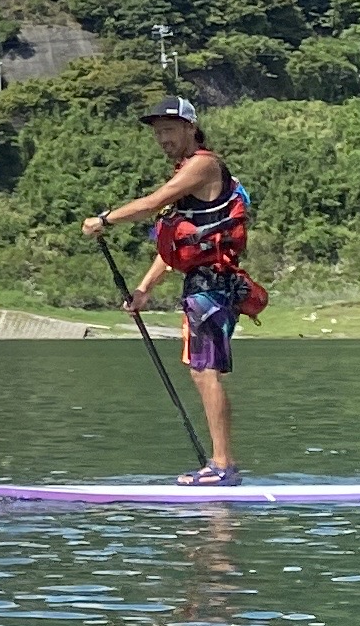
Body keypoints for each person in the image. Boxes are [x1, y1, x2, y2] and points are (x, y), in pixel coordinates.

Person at [82, 102, 258, 482]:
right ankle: (220, 465)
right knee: (201, 371)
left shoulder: (204, 165)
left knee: (205, 371)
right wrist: (144, 289)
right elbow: (175, 247)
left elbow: (151, 204)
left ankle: (223, 467)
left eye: (170, 129)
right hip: (201, 284)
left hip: (213, 284)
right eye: (158, 132)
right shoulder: (187, 177)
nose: (163, 138)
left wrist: (104, 219)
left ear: (191, 127)